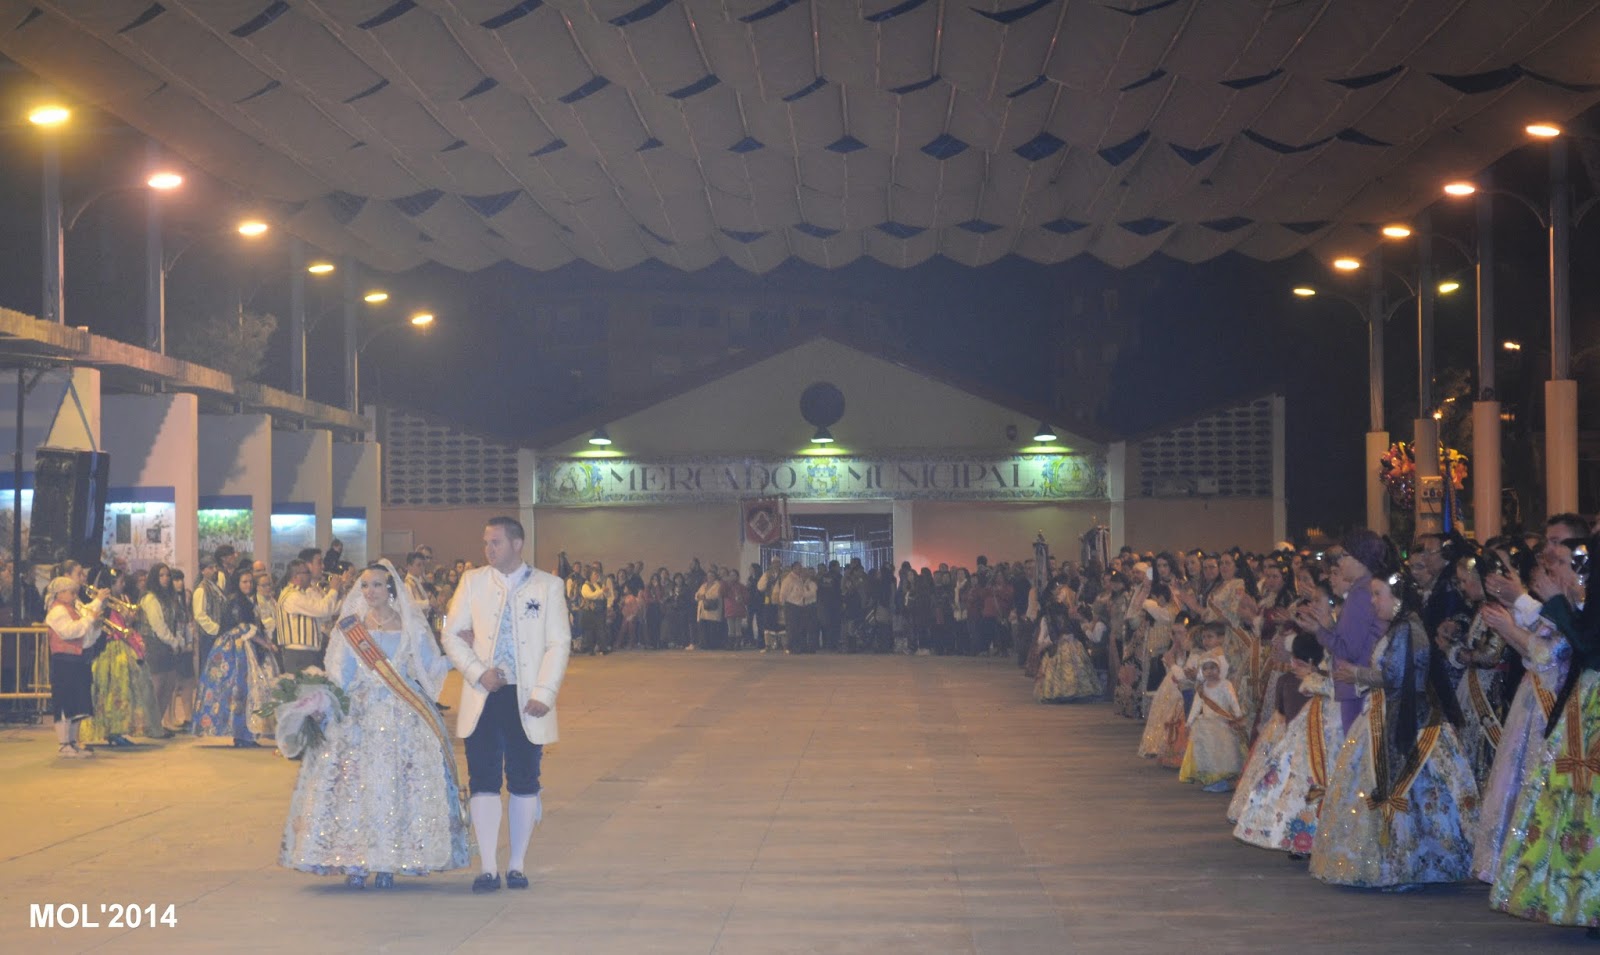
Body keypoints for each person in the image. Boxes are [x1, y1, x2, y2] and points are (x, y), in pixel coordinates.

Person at [281, 561, 469, 889]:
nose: (369, 591)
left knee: (398, 785)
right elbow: (340, 675)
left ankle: (390, 860)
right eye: (365, 585)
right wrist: (325, 705)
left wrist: (463, 650)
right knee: (356, 786)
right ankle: (356, 860)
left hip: (403, 712)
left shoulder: (410, 626)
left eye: (377, 585)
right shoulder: (351, 628)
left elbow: (430, 666)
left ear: (391, 590)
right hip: (360, 713)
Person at [1309, 565, 1477, 889]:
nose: (1373, 601)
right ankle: (1397, 864)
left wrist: (1356, 674)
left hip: (1408, 722)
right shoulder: (1401, 628)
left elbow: (1396, 677)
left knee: (1408, 792)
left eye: (1378, 594)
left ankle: (1401, 865)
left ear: (1397, 597)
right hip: (1392, 714)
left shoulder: (1407, 629)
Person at [442, 517, 572, 893]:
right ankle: (487, 866)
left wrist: (544, 692)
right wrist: (477, 672)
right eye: (486, 543)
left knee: (524, 778)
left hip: (526, 698)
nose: (488, 549)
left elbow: (558, 643)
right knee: (483, 779)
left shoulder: (548, 586)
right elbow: (451, 635)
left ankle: (516, 864)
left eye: (496, 542)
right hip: (484, 696)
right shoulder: (473, 581)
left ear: (517, 544)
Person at [194, 569, 275, 748]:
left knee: (246, 692)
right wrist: (264, 642)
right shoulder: (235, 601)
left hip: (245, 648)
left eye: (250, 582)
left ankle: (246, 734)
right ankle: (241, 735)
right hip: (234, 651)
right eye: (244, 582)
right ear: (237, 583)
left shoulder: (248, 600)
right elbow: (242, 627)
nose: (248, 585)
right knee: (238, 691)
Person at [46, 575, 106, 758]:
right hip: (64, 661)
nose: (74, 596)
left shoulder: (71, 609)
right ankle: (64, 744)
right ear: (60, 593)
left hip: (77, 660)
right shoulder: (57, 611)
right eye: (71, 592)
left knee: (77, 703)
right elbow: (70, 632)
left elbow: (84, 637)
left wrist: (95, 627)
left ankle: (72, 742)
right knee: (65, 702)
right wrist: (89, 620)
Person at [1179, 658, 1246, 792]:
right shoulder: (1201, 688)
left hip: (1223, 724)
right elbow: (1196, 706)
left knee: (1221, 754)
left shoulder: (1225, 684)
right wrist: (1189, 723)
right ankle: (1212, 779)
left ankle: (1221, 781)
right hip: (1206, 725)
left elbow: (1233, 701)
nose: (1209, 671)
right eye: (1205, 669)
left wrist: (1238, 717)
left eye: (1212, 668)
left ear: (1219, 669)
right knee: (1207, 753)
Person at [276, 558, 342, 672]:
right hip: (299, 654)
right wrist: (333, 590)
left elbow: (326, 614)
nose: (310, 576)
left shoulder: (301, 593)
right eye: (307, 572)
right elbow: (322, 609)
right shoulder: (292, 596)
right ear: (296, 576)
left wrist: (341, 594)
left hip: (306, 653)